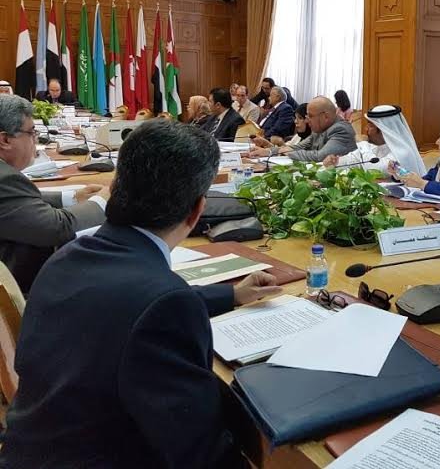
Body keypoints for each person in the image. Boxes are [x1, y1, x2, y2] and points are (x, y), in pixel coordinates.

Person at [0, 119, 281, 468]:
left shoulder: (67, 257)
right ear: (198, 210)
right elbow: (199, 453)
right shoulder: (162, 303)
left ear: (116, 187)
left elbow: (128, 308)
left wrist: (232, 295)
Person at [0, 95, 107, 293]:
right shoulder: (5, 178)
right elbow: (57, 228)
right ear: (5, 140)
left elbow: (15, 202)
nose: (35, 139)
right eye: (31, 132)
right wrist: (103, 201)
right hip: (16, 292)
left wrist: (73, 197)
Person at [247, 96, 356, 162]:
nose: (307, 121)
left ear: (326, 116)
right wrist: (268, 151)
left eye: (311, 116)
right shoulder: (320, 128)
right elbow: (297, 147)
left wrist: (286, 152)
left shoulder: (341, 130)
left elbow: (320, 156)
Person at [324, 105, 425, 176]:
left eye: (370, 126)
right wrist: (335, 162)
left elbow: (374, 170)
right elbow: (353, 160)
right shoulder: (373, 147)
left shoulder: (403, 153)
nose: (366, 129)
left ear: (384, 130)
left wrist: (362, 143)